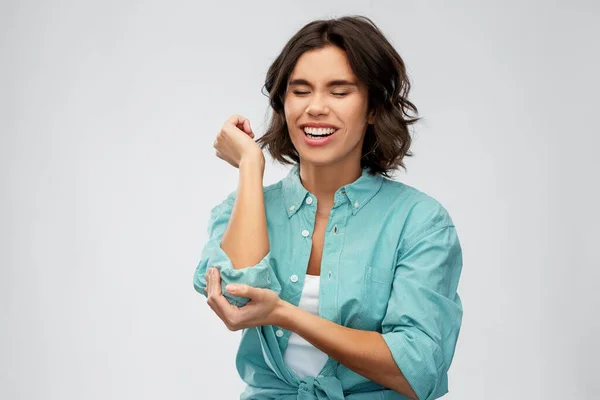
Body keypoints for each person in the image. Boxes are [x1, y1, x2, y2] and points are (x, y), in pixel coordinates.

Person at [193, 15, 463, 400]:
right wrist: (251, 167)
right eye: (300, 91)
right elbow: (237, 300)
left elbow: (417, 368)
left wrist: (285, 314)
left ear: (372, 107)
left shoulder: (420, 222)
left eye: (339, 92)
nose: (316, 108)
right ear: (282, 103)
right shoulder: (244, 206)